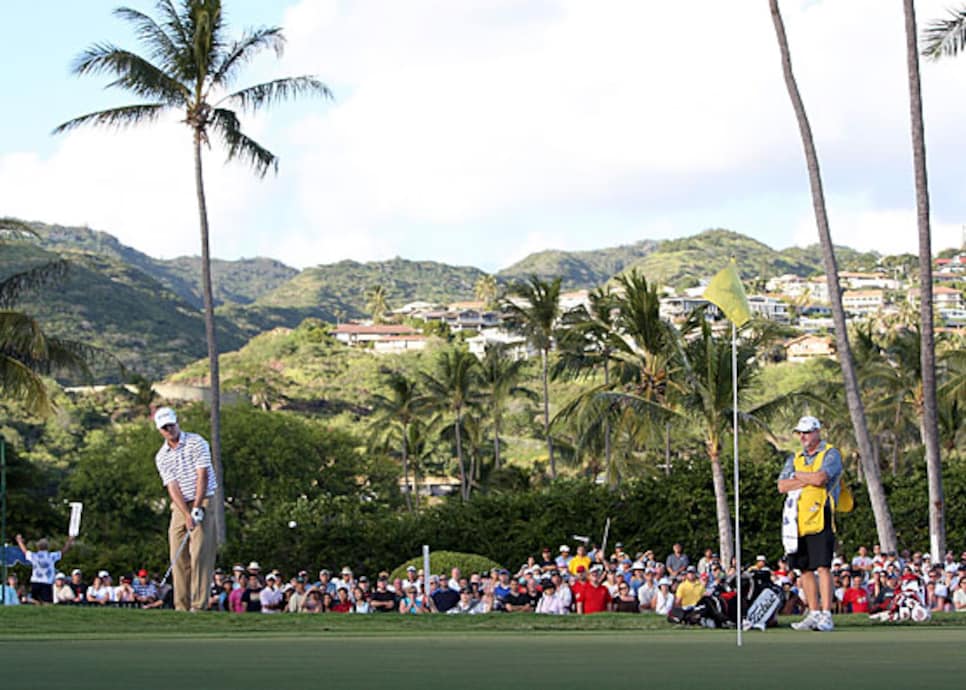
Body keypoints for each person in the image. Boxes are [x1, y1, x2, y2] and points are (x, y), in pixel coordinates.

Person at [778, 415, 842, 632]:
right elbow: (782, 485)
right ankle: (813, 612)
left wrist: (798, 476)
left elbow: (821, 478)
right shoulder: (795, 457)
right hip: (797, 520)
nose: (803, 437)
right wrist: (805, 477)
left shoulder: (830, 453)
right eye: (801, 433)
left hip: (821, 515)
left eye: (807, 432)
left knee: (823, 566)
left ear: (817, 432)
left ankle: (826, 614)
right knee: (804, 568)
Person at [153, 406, 218, 612]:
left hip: (204, 498)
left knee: (199, 553)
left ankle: (198, 605)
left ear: (177, 423)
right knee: (177, 553)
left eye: (171, 425)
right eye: (165, 427)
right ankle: (181, 606)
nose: (169, 429)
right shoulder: (162, 456)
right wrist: (186, 514)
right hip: (180, 505)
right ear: (160, 430)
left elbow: (203, 476)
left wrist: (197, 509)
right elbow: (172, 486)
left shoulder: (196, 442)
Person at [15, 533, 73, 604]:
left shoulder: (34, 556)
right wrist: (70, 541)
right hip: (47, 582)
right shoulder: (51, 556)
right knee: (47, 602)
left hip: (35, 581)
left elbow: (25, 551)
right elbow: (63, 551)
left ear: (38, 547)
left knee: (35, 601)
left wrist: (19, 541)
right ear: (47, 547)